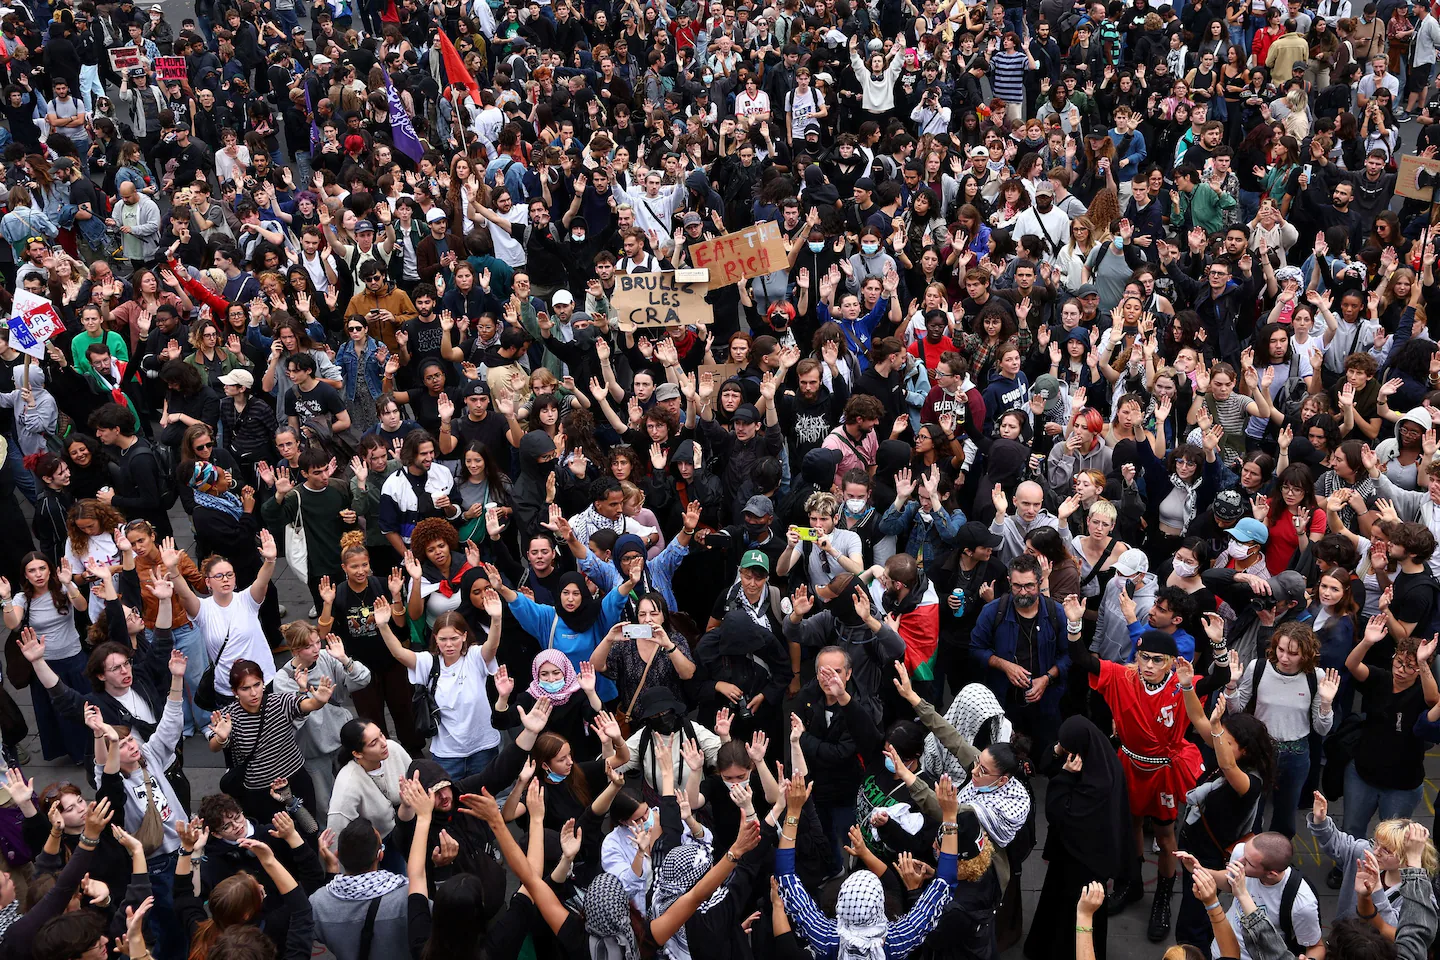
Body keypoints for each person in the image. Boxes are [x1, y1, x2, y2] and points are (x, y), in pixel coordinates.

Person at [1025, 716, 1129, 960]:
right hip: (1073, 852)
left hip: (1084, 861)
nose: (1064, 751)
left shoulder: (1098, 783)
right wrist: (1058, 750)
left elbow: (1058, 811)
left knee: (1074, 910)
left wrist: (1065, 776)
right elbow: (1046, 764)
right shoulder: (1097, 755)